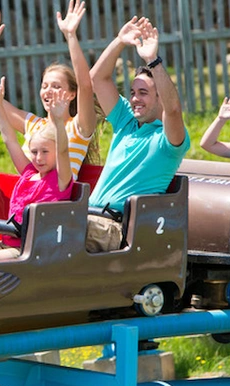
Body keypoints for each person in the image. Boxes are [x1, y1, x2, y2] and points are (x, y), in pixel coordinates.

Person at [85, 17, 190, 253]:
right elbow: (96, 79)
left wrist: (153, 61)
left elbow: (173, 110)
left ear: (160, 96)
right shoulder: (126, 121)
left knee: (55, 237)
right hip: (90, 219)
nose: (134, 99)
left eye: (143, 93)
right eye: (132, 92)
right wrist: (120, 41)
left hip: (113, 228)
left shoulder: (167, 140)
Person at [0, 1, 98, 180]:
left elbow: (86, 86)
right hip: (29, 199)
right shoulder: (34, 125)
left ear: (73, 94)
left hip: (56, 204)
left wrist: (70, 35)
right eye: (45, 86)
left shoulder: (78, 127)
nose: (48, 91)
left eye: (56, 86)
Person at [0, 77, 74, 262]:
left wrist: (57, 120)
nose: (39, 158)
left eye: (45, 152)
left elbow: (63, 150)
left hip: (31, 250)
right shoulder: (29, 173)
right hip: (8, 241)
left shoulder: (61, 178)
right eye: (34, 152)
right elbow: (9, 139)